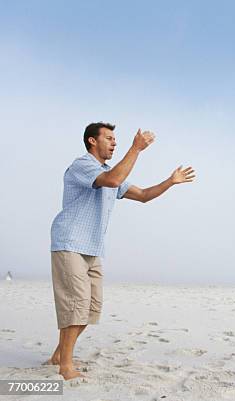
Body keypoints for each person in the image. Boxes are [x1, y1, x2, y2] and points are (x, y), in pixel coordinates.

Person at [46, 122, 195, 380]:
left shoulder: (110, 171)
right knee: (77, 305)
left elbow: (145, 195)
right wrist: (136, 148)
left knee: (90, 309)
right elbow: (112, 179)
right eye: (110, 138)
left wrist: (170, 182)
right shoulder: (82, 165)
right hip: (70, 242)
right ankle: (65, 367)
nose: (114, 143)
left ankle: (60, 354)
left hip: (93, 248)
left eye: (116, 139)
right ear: (92, 141)